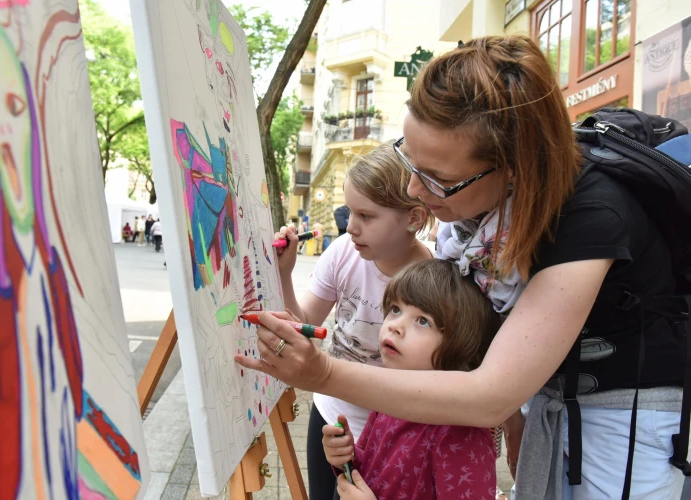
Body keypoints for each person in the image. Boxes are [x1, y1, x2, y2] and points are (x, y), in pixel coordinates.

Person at [236, 35, 690, 499]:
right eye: (409, 161)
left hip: (624, 422)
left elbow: (491, 394)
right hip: (558, 401)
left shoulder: (592, 214)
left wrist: (324, 375)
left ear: (513, 167)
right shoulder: (480, 223)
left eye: (439, 179)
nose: (413, 189)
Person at [272, 143, 433, 500]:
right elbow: (305, 324)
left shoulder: (434, 281)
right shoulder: (344, 251)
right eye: (349, 212)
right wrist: (285, 274)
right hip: (330, 413)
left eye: (367, 216)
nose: (351, 227)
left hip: (391, 430)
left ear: (414, 218)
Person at [323, 259, 500, 500]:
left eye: (423, 321)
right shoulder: (389, 396)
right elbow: (375, 471)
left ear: (461, 345)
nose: (395, 326)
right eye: (395, 309)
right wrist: (348, 457)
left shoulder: (461, 435)